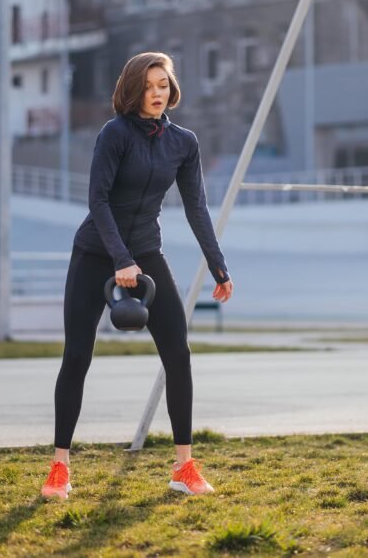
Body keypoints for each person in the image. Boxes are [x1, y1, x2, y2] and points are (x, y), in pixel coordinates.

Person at [41, 52, 234, 500]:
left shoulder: (183, 142)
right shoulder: (115, 134)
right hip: (95, 254)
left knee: (179, 354)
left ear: (171, 88)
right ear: (132, 89)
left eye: (163, 85)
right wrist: (120, 259)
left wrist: (218, 265)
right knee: (77, 358)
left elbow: (196, 207)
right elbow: (98, 201)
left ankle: (183, 466)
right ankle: (59, 468)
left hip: (146, 252)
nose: (156, 94)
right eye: (148, 86)